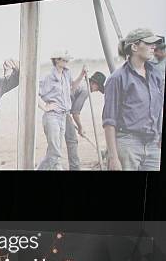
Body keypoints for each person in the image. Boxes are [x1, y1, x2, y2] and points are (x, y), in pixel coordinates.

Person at [103, 28, 164, 171]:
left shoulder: (156, 75)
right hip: (128, 145)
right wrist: (113, 157)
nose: (153, 47)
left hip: (153, 145)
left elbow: (159, 109)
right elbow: (109, 121)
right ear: (135, 47)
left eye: (154, 43)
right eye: (149, 43)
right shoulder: (117, 78)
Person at [38, 49, 87, 170]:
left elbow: (72, 88)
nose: (66, 61)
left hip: (63, 116)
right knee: (55, 153)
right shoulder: (49, 77)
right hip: (52, 116)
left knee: (55, 154)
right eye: (63, 59)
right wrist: (44, 107)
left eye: (66, 59)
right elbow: (33, 91)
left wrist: (82, 74)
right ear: (56, 60)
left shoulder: (67, 74)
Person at [65, 71, 106, 170]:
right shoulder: (85, 90)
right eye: (98, 88)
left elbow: (71, 110)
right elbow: (75, 113)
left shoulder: (81, 84)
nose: (96, 91)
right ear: (93, 84)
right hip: (62, 111)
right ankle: (74, 167)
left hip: (63, 111)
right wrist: (80, 127)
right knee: (72, 140)